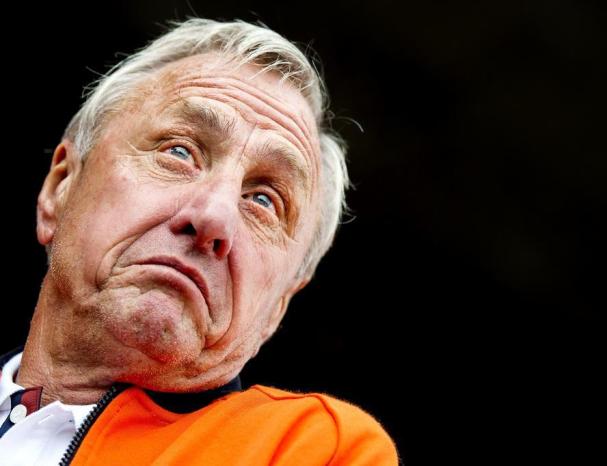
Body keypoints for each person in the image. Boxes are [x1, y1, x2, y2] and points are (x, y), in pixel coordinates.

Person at [0, 18, 398, 465]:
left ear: (279, 305)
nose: (214, 217)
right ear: (61, 188)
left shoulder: (313, 450)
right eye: (179, 151)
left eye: (264, 200)